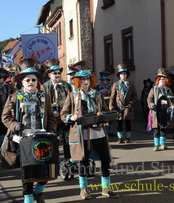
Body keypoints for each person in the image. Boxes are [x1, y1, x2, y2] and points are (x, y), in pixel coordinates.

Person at [2, 58, 57, 202]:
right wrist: (15, 125)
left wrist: (51, 131)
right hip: (23, 139)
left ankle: (38, 192)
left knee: (46, 169)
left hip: (42, 137)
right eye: (28, 80)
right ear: (22, 82)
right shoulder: (14, 97)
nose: (31, 82)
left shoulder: (44, 97)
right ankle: (28, 199)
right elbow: (5, 117)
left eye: (33, 80)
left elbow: (50, 116)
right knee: (27, 170)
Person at [61, 69, 118, 200]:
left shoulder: (97, 94)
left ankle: (106, 188)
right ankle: (84, 189)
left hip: (98, 132)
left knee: (105, 159)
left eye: (88, 79)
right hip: (82, 133)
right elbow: (63, 114)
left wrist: (102, 114)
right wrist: (72, 117)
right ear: (78, 81)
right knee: (83, 162)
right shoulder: (72, 95)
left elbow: (104, 110)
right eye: (83, 79)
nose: (86, 81)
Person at [43, 59, 73, 162]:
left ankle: (68, 160)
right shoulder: (44, 87)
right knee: (52, 139)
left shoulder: (66, 85)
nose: (57, 75)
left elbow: (72, 100)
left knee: (67, 139)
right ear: (49, 75)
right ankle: (53, 160)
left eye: (59, 73)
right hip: (51, 118)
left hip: (64, 116)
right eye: (54, 73)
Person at [109, 64, 137, 143]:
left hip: (128, 107)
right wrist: (111, 105)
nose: (123, 75)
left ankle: (127, 137)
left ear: (126, 75)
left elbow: (135, 95)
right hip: (119, 106)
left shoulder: (131, 84)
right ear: (119, 76)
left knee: (128, 122)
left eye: (124, 74)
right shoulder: (116, 84)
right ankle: (120, 137)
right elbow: (112, 96)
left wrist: (131, 103)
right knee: (119, 123)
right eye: (121, 74)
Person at [147, 68, 173, 151]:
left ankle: (163, 144)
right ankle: (156, 145)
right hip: (156, 111)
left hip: (165, 111)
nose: (162, 80)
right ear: (158, 80)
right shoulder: (154, 89)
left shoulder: (168, 90)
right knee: (156, 128)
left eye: (164, 79)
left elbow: (172, 99)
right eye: (160, 79)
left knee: (164, 128)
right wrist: (151, 105)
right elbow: (149, 99)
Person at [96, 71, 114, 136]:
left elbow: (114, 93)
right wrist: (100, 92)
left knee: (110, 117)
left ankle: (110, 131)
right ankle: (103, 131)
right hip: (101, 104)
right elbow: (95, 94)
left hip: (109, 103)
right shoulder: (98, 87)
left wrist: (109, 92)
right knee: (102, 117)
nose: (104, 82)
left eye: (105, 80)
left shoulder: (111, 86)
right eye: (102, 80)